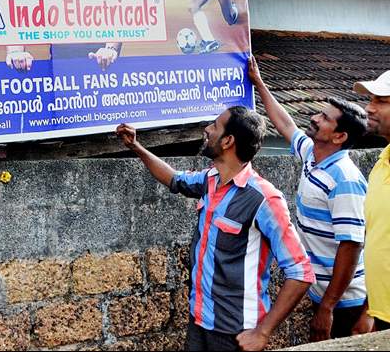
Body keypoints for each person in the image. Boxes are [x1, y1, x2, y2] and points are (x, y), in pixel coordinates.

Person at [117, 107, 313, 351]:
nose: (207, 130)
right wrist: (136, 147)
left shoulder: (264, 199)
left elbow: (301, 272)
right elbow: (173, 178)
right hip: (200, 320)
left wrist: (263, 332)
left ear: (228, 141)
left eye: (215, 126)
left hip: (236, 333)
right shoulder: (210, 179)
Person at [249, 57, 369, 340]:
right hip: (323, 293)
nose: (315, 118)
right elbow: (286, 124)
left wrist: (327, 307)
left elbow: (351, 245)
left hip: (345, 302)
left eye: (325, 118)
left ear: (339, 136)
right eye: (319, 113)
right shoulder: (312, 156)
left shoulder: (345, 179)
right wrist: (259, 82)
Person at [353, 70, 390, 332]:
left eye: (381, 101)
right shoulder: (381, 164)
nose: (369, 108)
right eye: (371, 100)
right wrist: (371, 308)